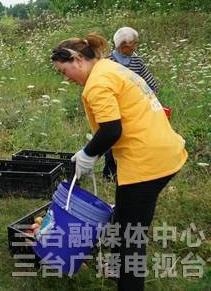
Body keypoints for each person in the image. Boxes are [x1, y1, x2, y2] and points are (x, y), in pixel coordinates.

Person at [51, 34, 187, 291]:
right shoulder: (111, 68)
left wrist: (88, 154)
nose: (65, 78)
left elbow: (112, 130)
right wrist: (92, 152)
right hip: (162, 150)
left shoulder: (97, 83)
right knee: (125, 214)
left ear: (77, 59)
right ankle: (114, 265)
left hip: (147, 162)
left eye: (64, 71)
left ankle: (129, 283)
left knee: (131, 238)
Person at [103, 26, 159, 179]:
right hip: (113, 108)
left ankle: (131, 171)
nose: (136, 46)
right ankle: (110, 172)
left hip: (134, 109)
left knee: (132, 140)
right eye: (133, 43)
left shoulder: (137, 60)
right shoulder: (108, 62)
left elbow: (151, 84)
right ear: (122, 45)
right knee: (111, 138)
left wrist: (149, 100)